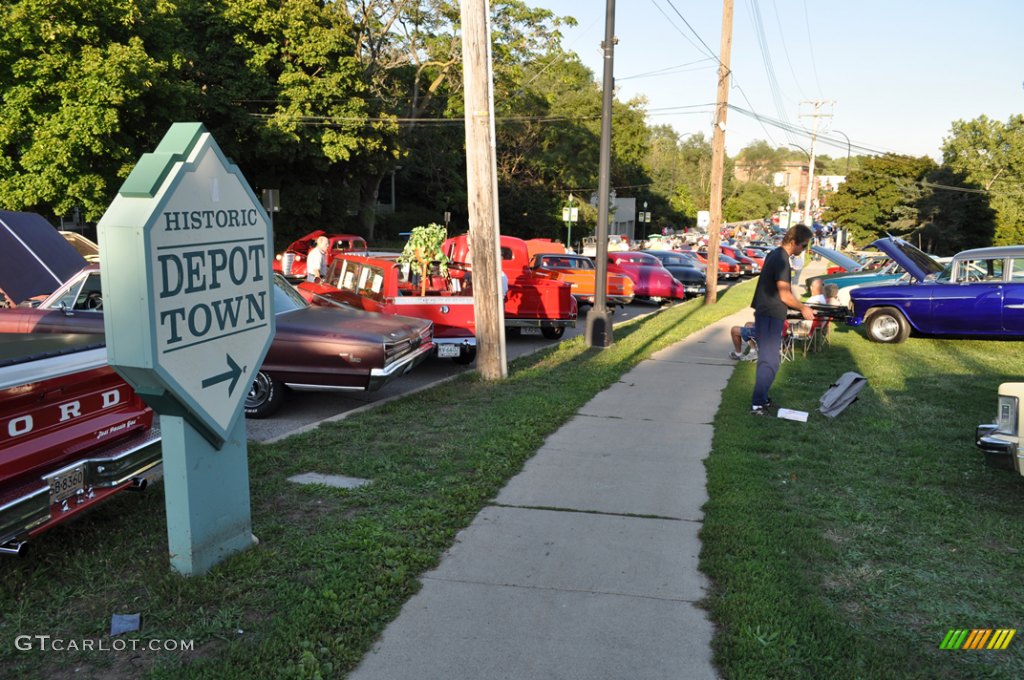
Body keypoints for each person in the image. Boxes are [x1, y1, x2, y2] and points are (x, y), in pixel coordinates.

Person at [750, 224, 815, 415]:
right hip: (770, 314)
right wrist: (803, 308)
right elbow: (785, 295)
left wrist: (798, 304)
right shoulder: (782, 260)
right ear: (793, 242)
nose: (803, 250)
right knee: (769, 361)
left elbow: (786, 292)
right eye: (803, 246)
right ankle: (757, 405)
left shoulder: (775, 254)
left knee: (772, 361)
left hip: (770, 313)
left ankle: (762, 399)